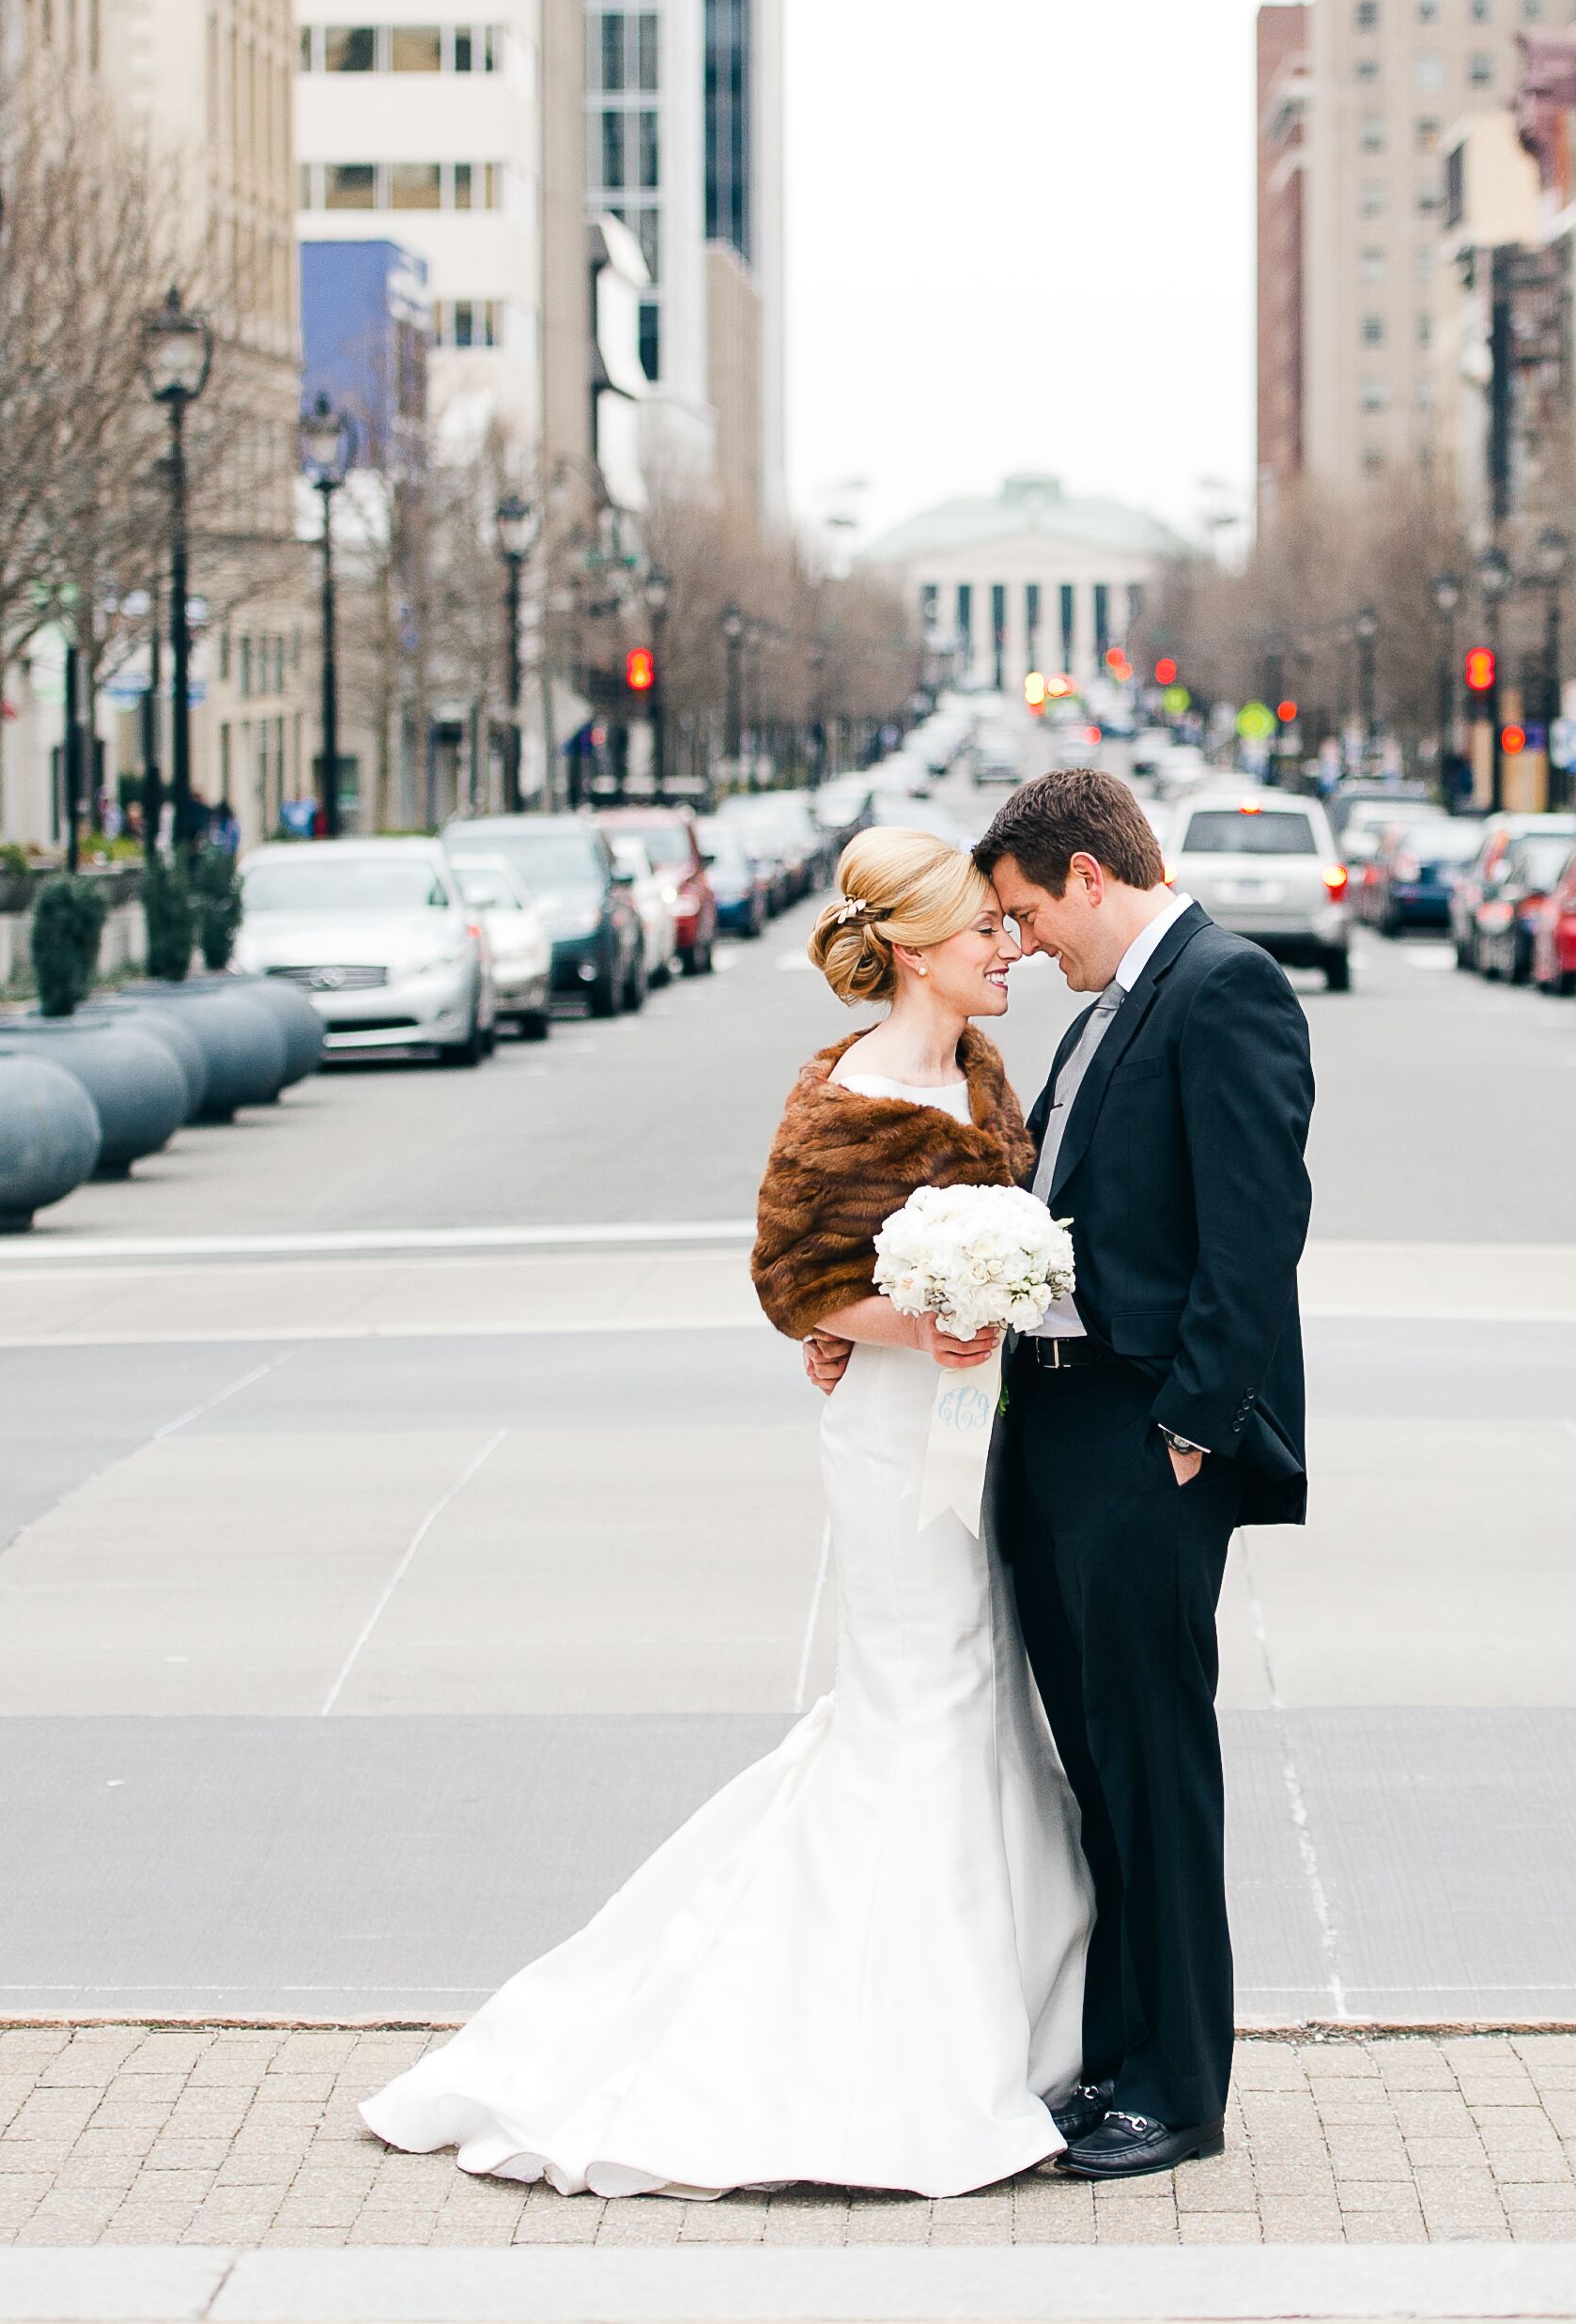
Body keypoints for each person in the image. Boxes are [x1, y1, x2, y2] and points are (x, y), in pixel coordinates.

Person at [358, 829, 1089, 2197]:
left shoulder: (983, 1073)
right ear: (919, 949)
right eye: (986, 931)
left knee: (980, 1700)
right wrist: (915, 1320)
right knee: (919, 1703)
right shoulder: (839, 1100)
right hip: (894, 1447)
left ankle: (1007, 2023)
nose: (1008, 948)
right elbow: (794, 1281)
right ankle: (896, 2066)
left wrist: (983, 1303)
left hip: (983, 1438)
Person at [966, 767, 1315, 2180]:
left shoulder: (1225, 988)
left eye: (1029, 912)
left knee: (1156, 1767)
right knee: (1100, 1766)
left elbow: (1256, 1223)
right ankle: (1113, 2061)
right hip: (1051, 1431)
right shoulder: (1108, 1008)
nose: (1026, 943)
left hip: (1141, 1441)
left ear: (1091, 876)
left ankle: (1181, 2087)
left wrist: (1192, 1425)